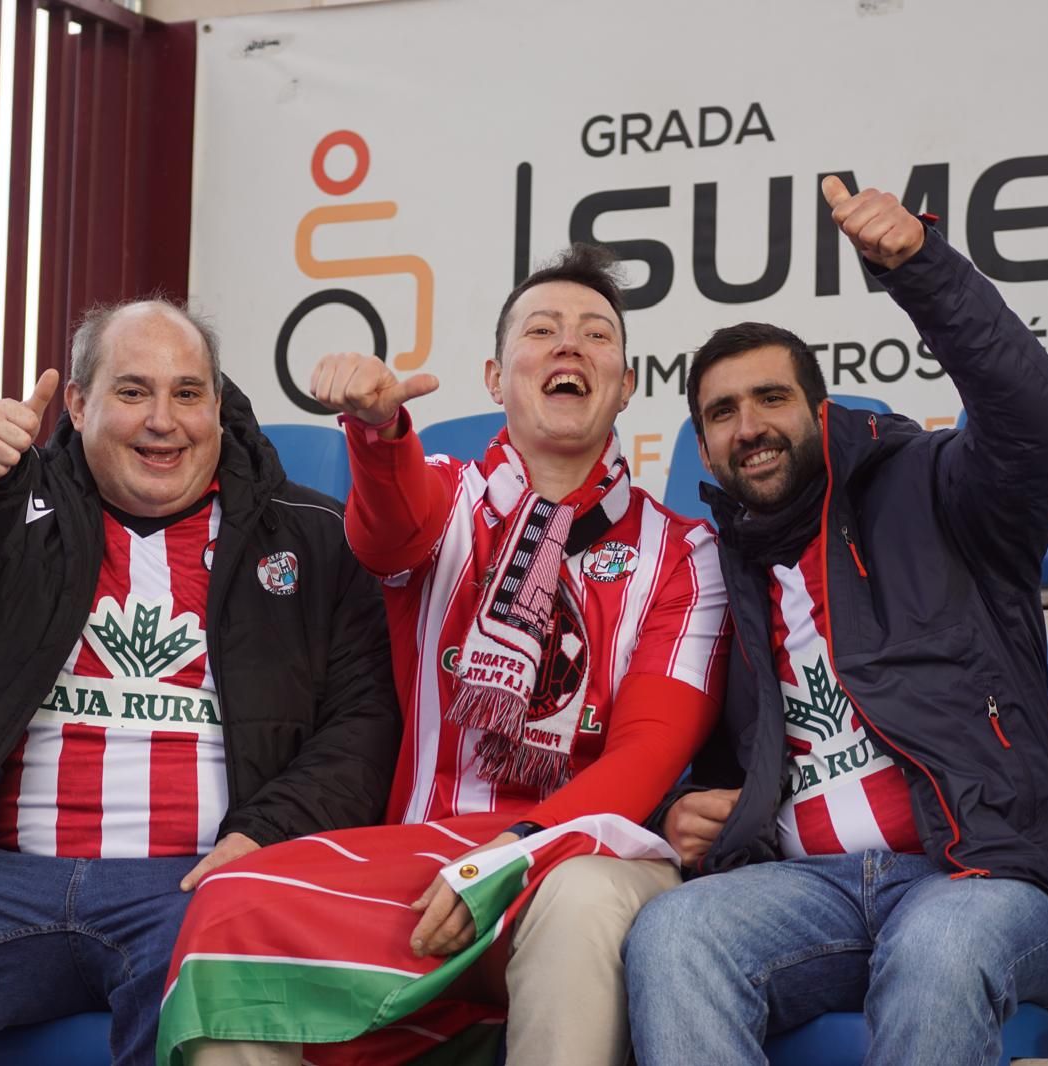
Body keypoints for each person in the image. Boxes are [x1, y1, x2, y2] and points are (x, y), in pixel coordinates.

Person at [0, 299, 402, 1065]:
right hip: (5, 878)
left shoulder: (312, 533)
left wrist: (265, 834)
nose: (164, 420)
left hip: (192, 882)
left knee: (228, 946)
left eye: (188, 393)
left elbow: (364, 721)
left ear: (218, 407)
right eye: (132, 392)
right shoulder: (18, 505)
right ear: (80, 403)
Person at [181, 245, 731, 1066]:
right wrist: (378, 432)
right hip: (422, 860)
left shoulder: (685, 554)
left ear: (625, 384)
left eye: (595, 335)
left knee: (576, 901)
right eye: (541, 331)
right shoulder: (446, 499)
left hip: (586, 863)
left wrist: (515, 855)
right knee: (231, 908)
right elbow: (390, 530)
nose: (569, 347)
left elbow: (648, 754)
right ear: (494, 377)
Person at [623, 178, 1048, 1066]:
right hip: (809, 890)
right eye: (721, 414)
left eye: (770, 399)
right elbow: (683, 749)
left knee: (939, 949)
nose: (749, 427)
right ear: (702, 444)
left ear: (819, 409)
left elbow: (1038, 423)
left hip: (983, 877)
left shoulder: (937, 491)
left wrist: (922, 268)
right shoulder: (718, 571)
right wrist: (686, 811)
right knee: (672, 937)